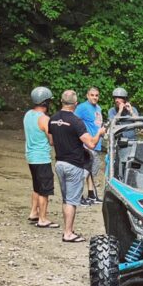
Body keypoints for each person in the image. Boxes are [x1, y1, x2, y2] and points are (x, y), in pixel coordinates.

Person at [48, 90, 106, 243]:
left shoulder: (52, 119)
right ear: (75, 104)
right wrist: (99, 133)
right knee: (72, 201)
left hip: (59, 163)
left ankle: (68, 229)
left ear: (61, 101)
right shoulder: (75, 121)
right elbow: (91, 144)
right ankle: (68, 233)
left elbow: (51, 142)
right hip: (73, 164)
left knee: (66, 199)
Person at [24, 87, 57, 228]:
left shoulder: (27, 115)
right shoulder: (45, 119)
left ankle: (33, 212)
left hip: (30, 156)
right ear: (45, 102)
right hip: (42, 157)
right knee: (45, 189)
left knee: (36, 186)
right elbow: (51, 141)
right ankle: (42, 218)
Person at [74, 85, 104, 207]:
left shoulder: (98, 108)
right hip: (87, 144)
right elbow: (74, 121)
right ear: (87, 95)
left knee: (91, 170)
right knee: (85, 171)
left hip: (97, 144)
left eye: (96, 95)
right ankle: (78, 196)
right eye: (92, 95)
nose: (94, 97)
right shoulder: (82, 107)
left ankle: (91, 195)